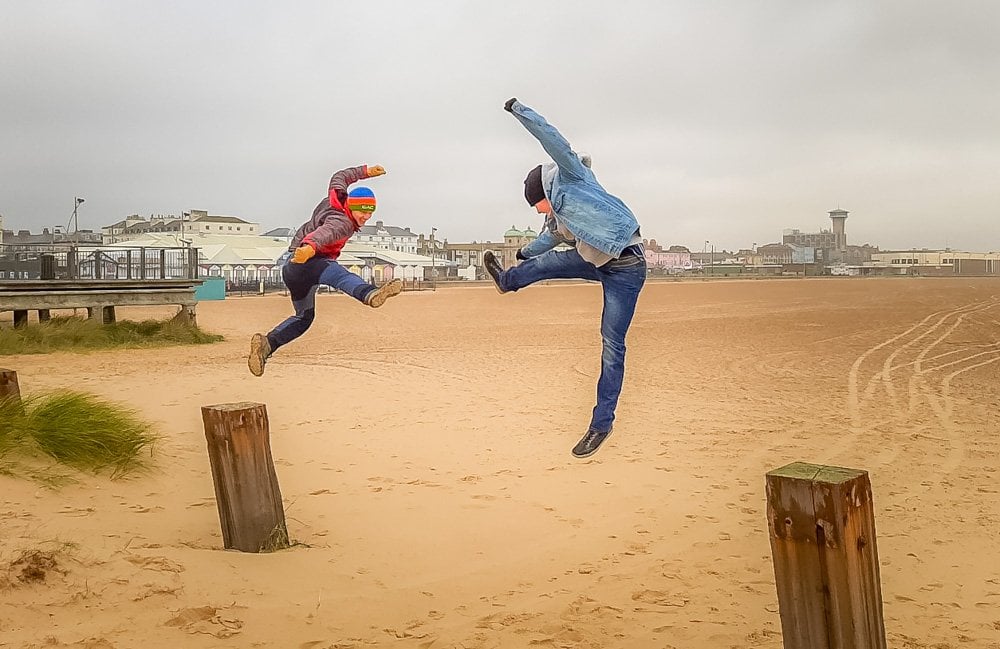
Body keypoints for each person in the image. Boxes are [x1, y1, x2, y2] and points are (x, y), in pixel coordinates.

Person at [485, 98, 646, 458]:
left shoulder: (572, 177)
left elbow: (552, 139)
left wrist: (518, 110)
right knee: (545, 264)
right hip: (595, 260)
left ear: (543, 193)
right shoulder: (558, 218)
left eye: (536, 204)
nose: (538, 210)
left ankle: (601, 425)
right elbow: (549, 239)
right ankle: (506, 280)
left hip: (627, 267)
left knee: (611, 346)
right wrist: (524, 255)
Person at [248, 164, 402, 377]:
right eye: (362, 211)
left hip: (293, 269)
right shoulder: (343, 222)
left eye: (370, 212)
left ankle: (267, 345)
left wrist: (365, 171)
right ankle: (369, 294)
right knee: (339, 275)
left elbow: (340, 176)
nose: (366, 217)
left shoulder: (335, 196)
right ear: (350, 205)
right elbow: (325, 233)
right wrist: (309, 247)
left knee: (304, 317)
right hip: (310, 260)